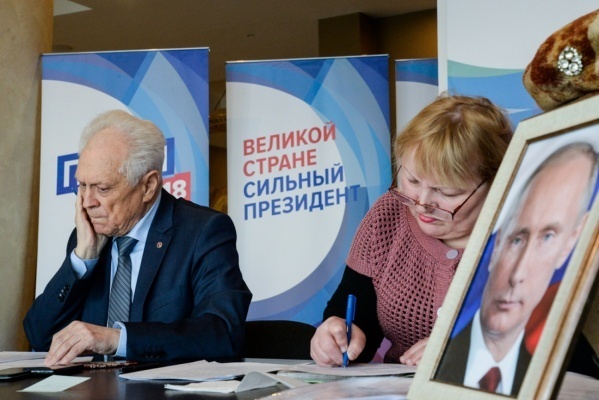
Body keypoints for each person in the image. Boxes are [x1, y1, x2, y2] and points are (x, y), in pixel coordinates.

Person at [24, 110, 252, 366]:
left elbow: (223, 333)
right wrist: (81, 260)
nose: (87, 202)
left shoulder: (203, 231)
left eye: (102, 188)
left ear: (148, 186)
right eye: (82, 186)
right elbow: (39, 336)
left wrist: (118, 339)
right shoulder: (88, 235)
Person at [310, 94, 513, 367]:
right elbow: (356, 316)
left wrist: (471, 347)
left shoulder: (529, 234)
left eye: (447, 192)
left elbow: (558, 346)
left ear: (498, 182)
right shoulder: (388, 216)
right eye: (412, 180)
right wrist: (336, 336)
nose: (422, 203)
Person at [435, 143, 598, 395]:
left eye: (547, 237)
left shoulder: (551, 365)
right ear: (497, 243)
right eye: (517, 240)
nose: (517, 275)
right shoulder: (444, 359)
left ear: (569, 245)